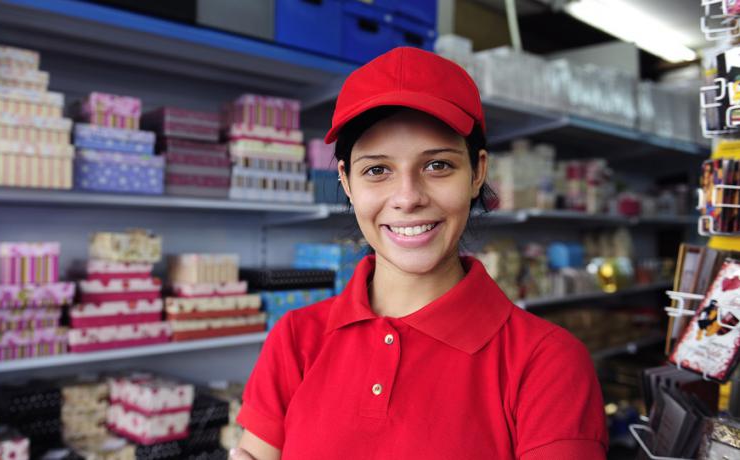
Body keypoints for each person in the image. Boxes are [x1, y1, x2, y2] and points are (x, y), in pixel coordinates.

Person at [229, 47, 608, 460]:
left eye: (438, 166)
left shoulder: (547, 363)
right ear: (347, 181)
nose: (407, 198)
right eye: (377, 170)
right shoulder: (296, 340)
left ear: (477, 172)